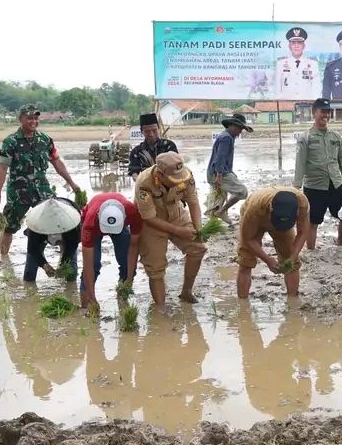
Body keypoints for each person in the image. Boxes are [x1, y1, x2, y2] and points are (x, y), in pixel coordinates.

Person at [0, 104, 80, 255]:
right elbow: (2, 168)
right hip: (19, 192)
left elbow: (57, 163)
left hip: (42, 190)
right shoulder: (10, 142)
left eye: (36, 118)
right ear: (20, 119)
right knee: (9, 227)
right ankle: (4, 260)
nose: (33, 121)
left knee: (56, 222)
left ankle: (63, 260)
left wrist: (72, 183)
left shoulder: (45, 140)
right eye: (29, 118)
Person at [135, 152, 206, 305]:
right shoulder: (144, 183)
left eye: (181, 177)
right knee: (155, 269)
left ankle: (186, 292)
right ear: (160, 175)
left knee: (198, 248)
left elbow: (193, 203)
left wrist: (198, 229)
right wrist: (179, 232)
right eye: (175, 179)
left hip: (176, 214)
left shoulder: (185, 175)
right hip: (152, 224)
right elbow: (149, 218)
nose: (180, 180)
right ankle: (161, 310)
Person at [293, 98, 342, 249]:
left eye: (328, 112)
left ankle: (340, 243)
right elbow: (300, 164)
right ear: (314, 112)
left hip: (336, 184)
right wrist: (296, 189)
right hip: (315, 186)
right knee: (313, 221)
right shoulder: (305, 138)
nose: (326, 115)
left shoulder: (335, 137)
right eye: (322, 112)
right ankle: (311, 249)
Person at [236, 187, 310, 299]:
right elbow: (248, 239)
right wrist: (268, 260)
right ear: (271, 208)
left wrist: (293, 256)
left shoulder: (302, 203)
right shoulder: (254, 208)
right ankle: (243, 303)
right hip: (256, 218)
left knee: (292, 262)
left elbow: (303, 231)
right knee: (246, 260)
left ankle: (292, 301)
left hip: (283, 222)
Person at [79, 192, 143, 308]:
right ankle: (86, 302)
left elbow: (134, 246)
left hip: (120, 225)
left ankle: (123, 299)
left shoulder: (132, 213)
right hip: (95, 227)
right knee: (94, 264)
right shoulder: (90, 223)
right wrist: (92, 298)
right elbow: (87, 264)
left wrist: (129, 280)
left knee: (125, 263)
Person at [206, 113, 252, 224]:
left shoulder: (227, 136)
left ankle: (216, 219)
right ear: (233, 126)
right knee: (242, 191)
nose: (241, 132)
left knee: (219, 198)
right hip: (217, 173)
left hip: (217, 171)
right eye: (240, 128)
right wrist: (219, 175)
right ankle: (221, 212)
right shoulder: (226, 138)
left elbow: (223, 158)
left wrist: (230, 172)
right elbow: (220, 158)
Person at [22, 197, 81, 283]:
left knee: (71, 271)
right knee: (29, 273)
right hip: (41, 235)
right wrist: (44, 264)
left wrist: (63, 263)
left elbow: (72, 247)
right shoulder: (36, 225)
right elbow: (32, 249)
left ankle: (70, 290)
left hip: (67, 236)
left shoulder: (72, 223)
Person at [128, 113, 178, 179]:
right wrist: (139, 181)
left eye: (154, 130)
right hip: (146, 185)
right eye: (147, 131)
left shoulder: (169, 146)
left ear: (158, 129)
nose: (151, 134)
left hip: (168, 183)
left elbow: (177, 166)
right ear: (141, 131)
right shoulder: (137, 151)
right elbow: (133, 171)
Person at [275, 27, 321, 99]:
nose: (296, 46)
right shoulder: (281, 64)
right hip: (287, 105)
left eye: (299, 43)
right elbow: (277, 89)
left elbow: (316, 89)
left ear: (304, 46)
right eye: (293, 43)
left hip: (307, 106)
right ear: (289, 46)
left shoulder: (313, 64)